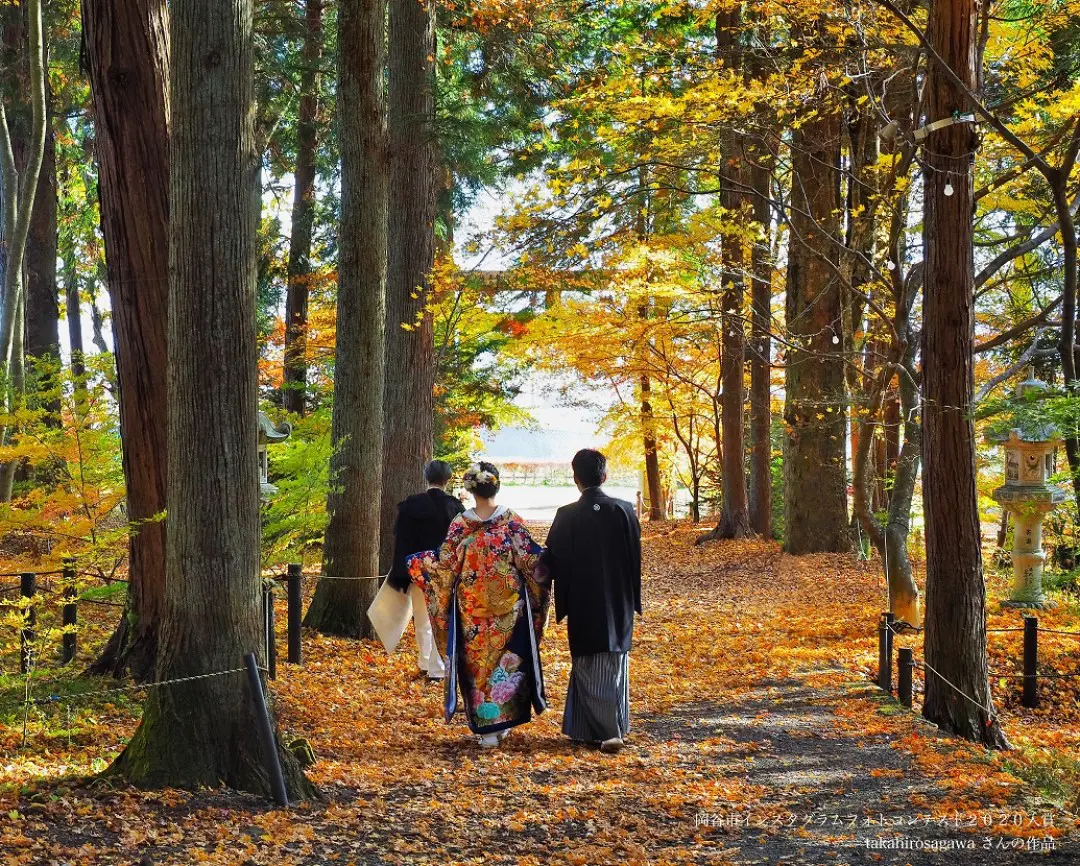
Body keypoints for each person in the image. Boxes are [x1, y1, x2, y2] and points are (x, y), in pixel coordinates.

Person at [408, 461, 551, 748]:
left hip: (471, 612)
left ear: (471, 490)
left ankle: (487, 730)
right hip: (508, 611)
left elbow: (445, 565)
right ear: (496, 486)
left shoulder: (461, 526)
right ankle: (501, 722)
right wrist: (550, 561)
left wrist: (419, 563)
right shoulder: (511, 522)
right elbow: (531, 563)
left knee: (478, 669)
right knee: (505, 664)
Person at [544, 449, 641, 753]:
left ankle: (608, 732)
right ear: (605, 475)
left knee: (588, 666)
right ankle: (585, 727)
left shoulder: (567, 515)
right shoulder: (625, 510)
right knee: (614, 661)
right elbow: (634, 557)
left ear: (575, 478)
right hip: (618, 598)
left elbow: (553, 559)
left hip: (584, 599)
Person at [387, 459, 465, 679]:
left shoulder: (411, 505)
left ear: (426, 477)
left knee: (421, 618)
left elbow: (402, 540)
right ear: (447, 479)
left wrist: (401, 572)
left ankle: (424, 662)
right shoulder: (455, 507)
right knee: (442, 618)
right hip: (445, 571)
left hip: (417, 569)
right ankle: (437, 667)